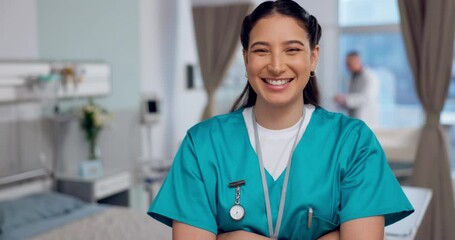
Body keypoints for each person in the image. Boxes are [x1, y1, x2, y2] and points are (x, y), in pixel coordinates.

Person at [148, 1, 413, 239]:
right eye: (262, 50)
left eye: (292, 50)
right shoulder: (203, 144)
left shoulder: (353, 142)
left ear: (313, 57)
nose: (276, 66)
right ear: (246, 58)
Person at [333, 51, 380, 128]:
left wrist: (345, 99)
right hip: (355, 120)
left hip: (366, 119)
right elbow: (352, 100)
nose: (347, 66)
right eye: (346, 64)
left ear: (357, 61)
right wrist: (343, 102)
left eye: (349, 63)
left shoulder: (370, 76)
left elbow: (366, 98)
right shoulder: (352, 77)